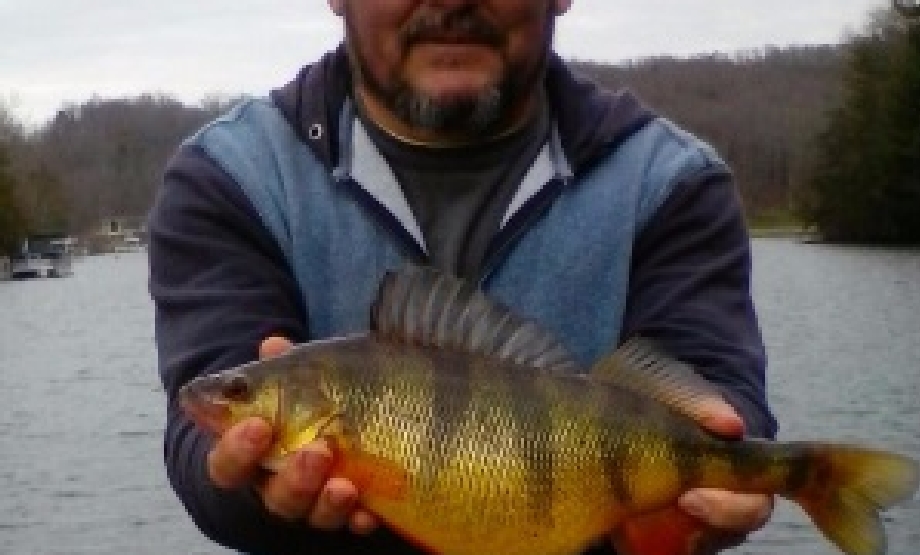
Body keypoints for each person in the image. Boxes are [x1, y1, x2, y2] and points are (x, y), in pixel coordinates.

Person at [148, 1, 777, 554]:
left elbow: (721, 397)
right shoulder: (230, 181)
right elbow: (196, 454)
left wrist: (728, 457)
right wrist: (249, 485)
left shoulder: (670, 185)